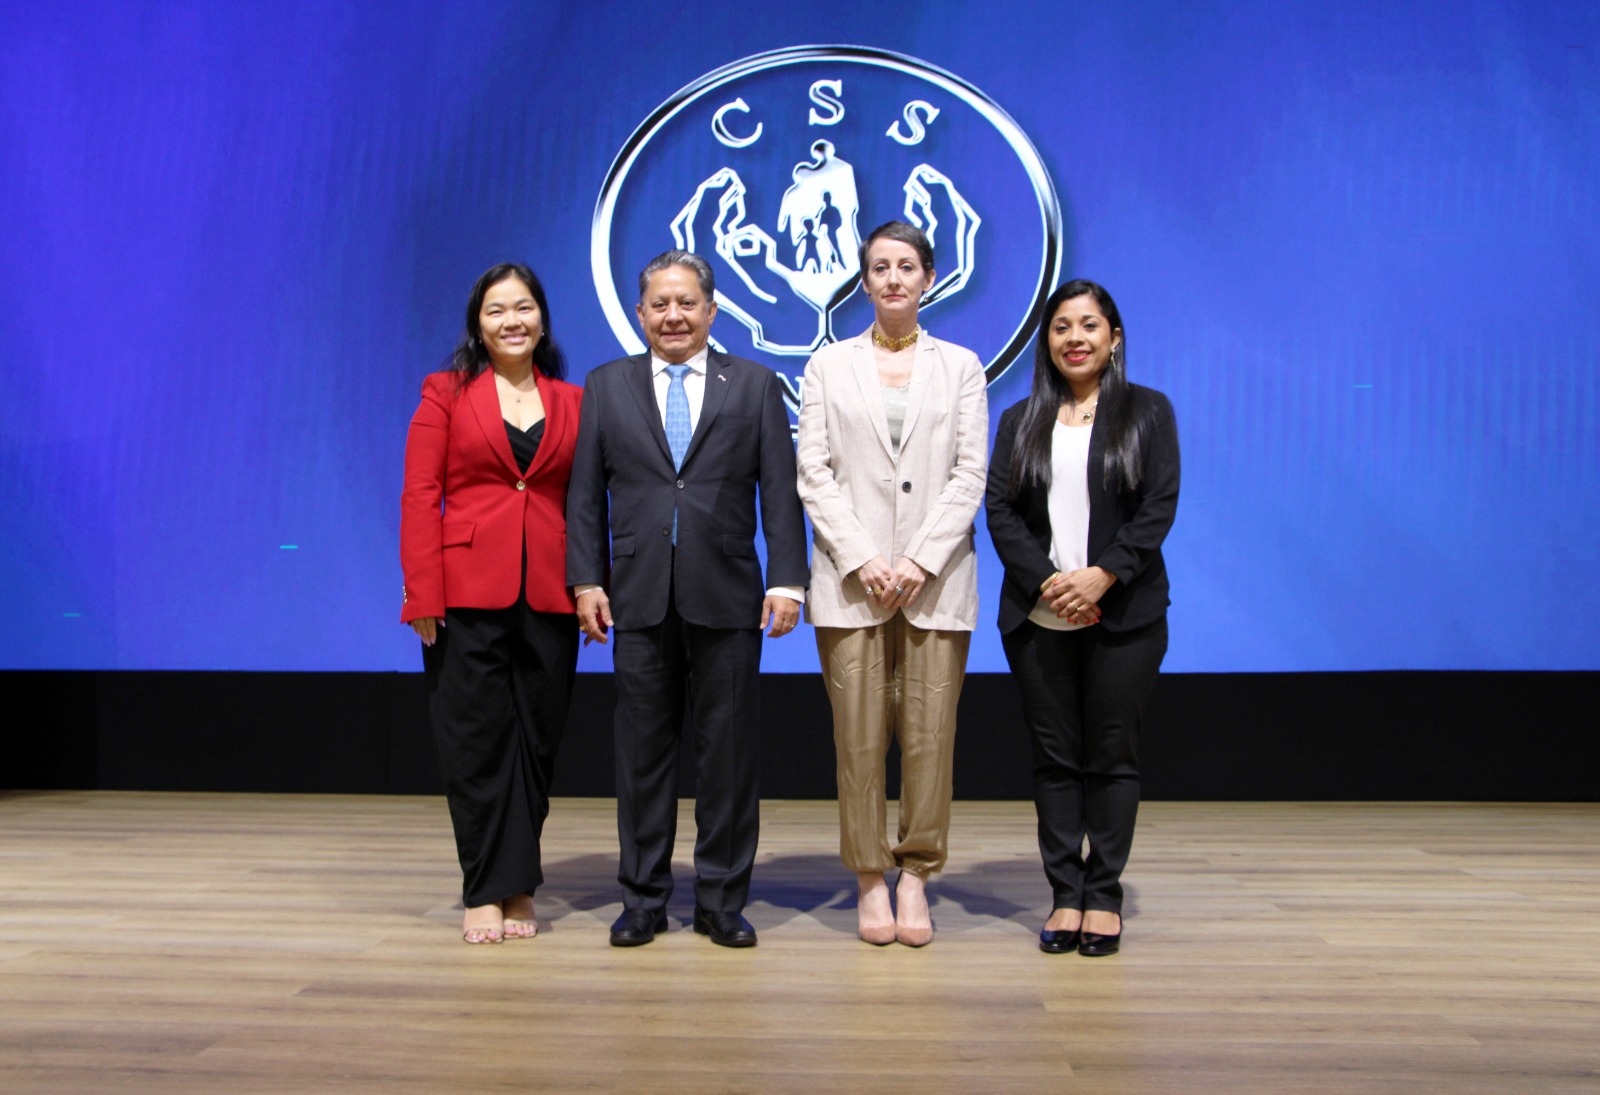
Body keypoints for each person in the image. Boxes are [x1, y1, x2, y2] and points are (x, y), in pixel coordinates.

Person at [565, 250, 808, 949]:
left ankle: (721, 900)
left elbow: (779, 492)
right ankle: (641, 898)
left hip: (728, 595)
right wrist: (588, 579)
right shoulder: (606, 385)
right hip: (635, 597)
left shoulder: (755, 383)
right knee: (642, 756)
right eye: (659, 304)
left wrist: (786, 578)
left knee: (728, 755)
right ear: (640, 313)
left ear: (712, 309)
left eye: (686, 302)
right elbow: (584, 496)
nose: (673, 315)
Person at [795, 221, 988, 946]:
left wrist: (919, 559)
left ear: (928, 277)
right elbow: (812, 472)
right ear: (865, 281)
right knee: (859, 738)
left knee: (931, 737)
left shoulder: (961, 365)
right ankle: (869, 876)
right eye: (880, 267)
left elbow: (971, 471)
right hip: (853, 583)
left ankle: (917, 875)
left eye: (907, 266)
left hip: (936, 582)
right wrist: (865, 557)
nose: (894, 279)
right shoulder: (827, 366)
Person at [985, 279, 1179, 957]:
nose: (1075, 337)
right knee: (1056, 761)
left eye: (1089, 325)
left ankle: (1105, 897)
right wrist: (1047, 582)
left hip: (1123, 614)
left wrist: (1103, 575)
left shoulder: (1149, 412)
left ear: (1114, 338)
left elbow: (1158, 505)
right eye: (1062, 326)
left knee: (1112, 757)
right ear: (1047, 340)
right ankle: (1065, 894)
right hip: (1040, 616)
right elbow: (1000, 513)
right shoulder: (1019, 420)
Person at [400, 263, 584, 944]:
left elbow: (586, 502)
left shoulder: (574, 400)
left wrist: (594, 583)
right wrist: (422, 589)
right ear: (478, 324)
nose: (513, 320)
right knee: (475, 742)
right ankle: (483, 888)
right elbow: (420, 495)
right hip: (464, 592)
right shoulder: (445, 393)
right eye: (497, 310)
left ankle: (519, 885)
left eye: (524, 307)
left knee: (536, 742)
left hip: (550, 591)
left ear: (541, 318)